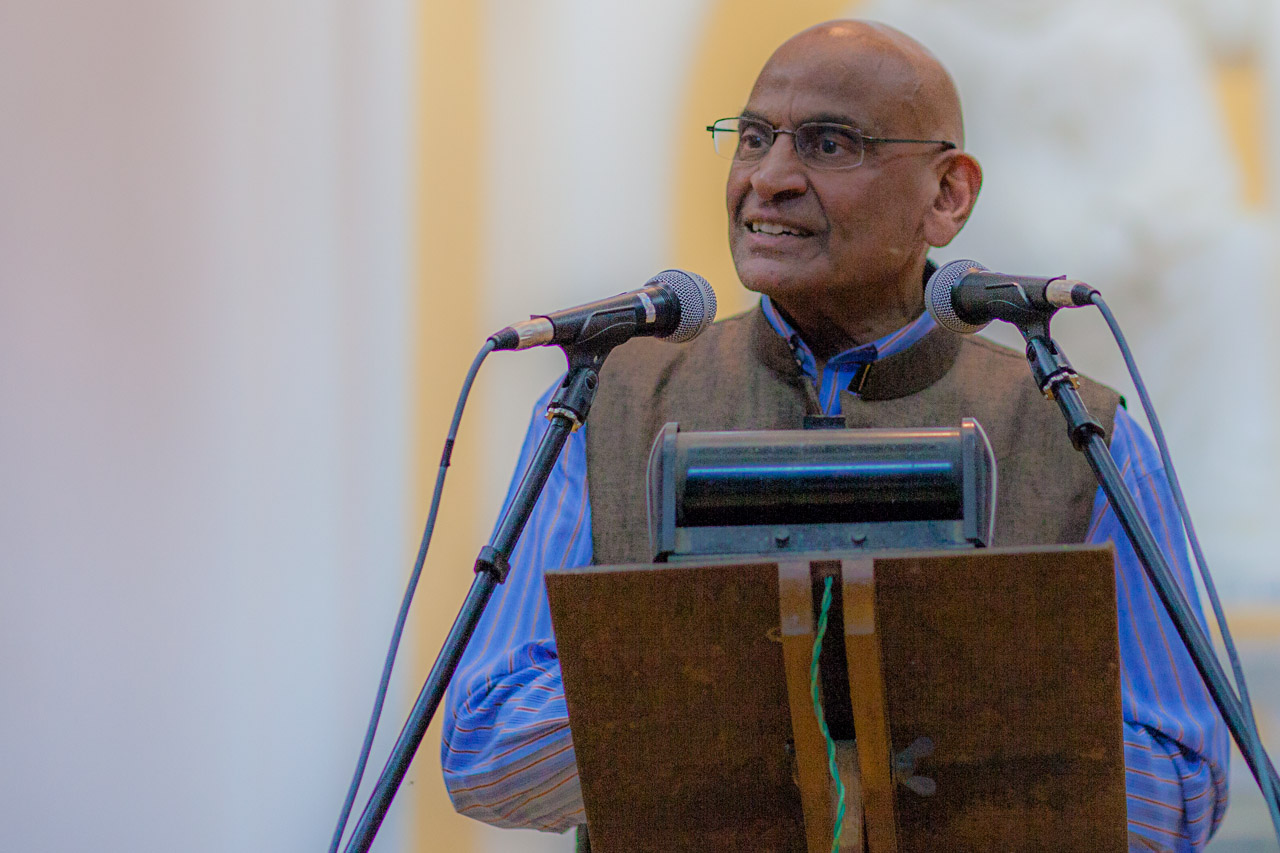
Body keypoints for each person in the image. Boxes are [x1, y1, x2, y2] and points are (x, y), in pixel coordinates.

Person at [441, 20, 1228, 852]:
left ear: (948, 194)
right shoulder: (606, 407)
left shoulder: (1081, 432)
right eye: (753, 138)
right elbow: (486, 745)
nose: (769, 178)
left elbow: (1180, 786)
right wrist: (768, 712)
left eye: (828, 143)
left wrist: (913, 750)